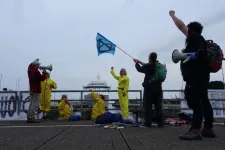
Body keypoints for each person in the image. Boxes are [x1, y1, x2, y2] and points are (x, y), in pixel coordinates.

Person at [169, 10, 215, 140]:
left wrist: (172, 15)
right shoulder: (201, 42)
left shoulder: (194, 37)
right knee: (203, 100)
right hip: (203, 76)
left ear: (192, 30)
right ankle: (208, 128)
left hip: (195, 77)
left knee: (194, 102)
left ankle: (195, 130)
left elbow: (180, 25)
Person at [133, 52, 164, 128]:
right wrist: (139, 61)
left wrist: (136, 63)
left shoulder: (148, 66)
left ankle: (148, 123)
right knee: (158, 106)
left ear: (150, 57)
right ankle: (161, 123)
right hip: (158, 88)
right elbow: (146, 65)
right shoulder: (158, 65)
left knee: (148, 106)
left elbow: (140, 69)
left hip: (149, 89)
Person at [27, 59, 47, 123]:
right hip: (36, 89)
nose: (39, 66)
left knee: (31, 103)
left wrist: (35, 60)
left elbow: (30, 65)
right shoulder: (36, 71)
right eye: (38, 65)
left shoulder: (30, 69)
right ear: (35, 65)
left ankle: (29, 116)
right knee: (34, 104)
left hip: (32, 89)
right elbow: (42, 78)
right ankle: (32, 117)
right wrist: (44, 73)